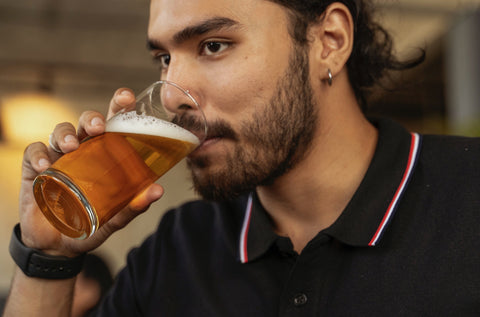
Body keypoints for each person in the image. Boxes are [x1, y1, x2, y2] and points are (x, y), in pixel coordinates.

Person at [3, 0, 480, 316]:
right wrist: (47, 255)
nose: (173, 98)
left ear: (329, 42)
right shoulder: (178, 250)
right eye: (164, 59)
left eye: (213, 45)